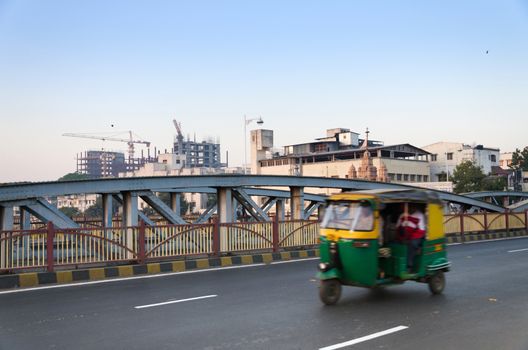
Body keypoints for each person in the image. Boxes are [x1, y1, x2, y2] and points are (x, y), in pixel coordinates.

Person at [396, 204, 426, 272]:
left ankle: (409, 265)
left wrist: (410, 239)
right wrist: (401, 238)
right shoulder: (402, 215)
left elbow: (421, 231)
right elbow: (398, 228)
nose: (410, 209)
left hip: (417, 236)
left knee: (412, 244)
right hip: (405, 237)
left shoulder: (420, 215)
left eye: (412, 207)